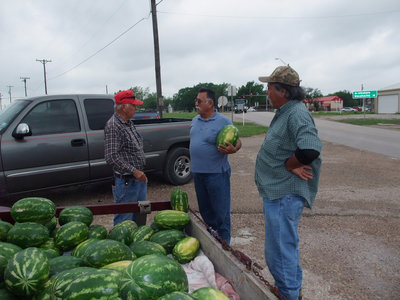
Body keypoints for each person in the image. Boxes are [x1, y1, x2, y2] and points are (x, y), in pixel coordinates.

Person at [255, 66, 322, 300]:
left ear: (283, 91)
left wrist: (290, 165)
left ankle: (289, 294)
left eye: (270, 87)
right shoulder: (286, 110)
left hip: (285, 195)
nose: (267, 92)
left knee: (280, 253)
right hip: (277, 194)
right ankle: (293, 289)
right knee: (282, 250)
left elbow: (310, 148)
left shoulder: (296, 113)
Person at [189, 88, 242, 244]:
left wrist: (234, 149)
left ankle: (225, 245)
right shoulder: (195, 120)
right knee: (205, 211)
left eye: (199, 101)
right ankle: (212, 242)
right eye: (196, 100)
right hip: (198, 174)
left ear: (210, 103)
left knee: (221, 213)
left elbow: (238, 141)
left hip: (217, 174)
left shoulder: (223, 121)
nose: (196, 103)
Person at [104, 90, 148, 226]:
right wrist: (134, 171)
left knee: (141, 215)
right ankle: (122, 246)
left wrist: (140, 173)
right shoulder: (113, 126)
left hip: (138, 180)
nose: (136, 108)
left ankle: (138, 245)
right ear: (124, 107)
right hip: (127, 182)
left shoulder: (128, 123)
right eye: (133, 105)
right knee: (124, 221)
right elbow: (111, 156)